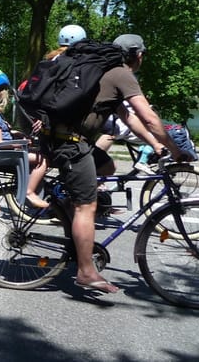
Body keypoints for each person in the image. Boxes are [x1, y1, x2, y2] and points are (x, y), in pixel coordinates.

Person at [42, 33, 186, 294]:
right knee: (87, 204)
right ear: (138, 55)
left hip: (69, 139)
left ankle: (69, 225)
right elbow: (149, 118)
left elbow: (129, 119)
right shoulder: (121, 74)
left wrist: (155, 145)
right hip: (71, 143)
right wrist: (175, 150)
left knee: (103, 172)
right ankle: (86, 272)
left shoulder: (104, 71)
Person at [0, 69, 49, 208]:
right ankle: (30, 192)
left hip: (1, 153)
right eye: (5, 91)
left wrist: (16, 134)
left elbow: (1, 133)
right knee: (43, 160)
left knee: (36, 153)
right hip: (4, 154)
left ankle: (29, 186)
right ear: (0, 94)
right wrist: (18, 144)